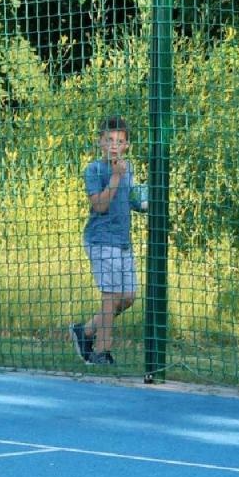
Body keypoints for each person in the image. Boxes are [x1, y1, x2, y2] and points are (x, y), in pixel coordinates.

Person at [70, 115, 146, 366]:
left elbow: (129, 198)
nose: (114, 145)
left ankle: (85, 331)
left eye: (120, 141)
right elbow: (100, 206)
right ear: (100, 142)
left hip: (123, 241)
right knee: (111, 296)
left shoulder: (128, 169)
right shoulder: (94, 170)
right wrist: (114, 177)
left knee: (128, 297)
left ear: (127, 145)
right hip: (101, 240)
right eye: (109, 140)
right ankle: (102, 352)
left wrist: (143, 202)